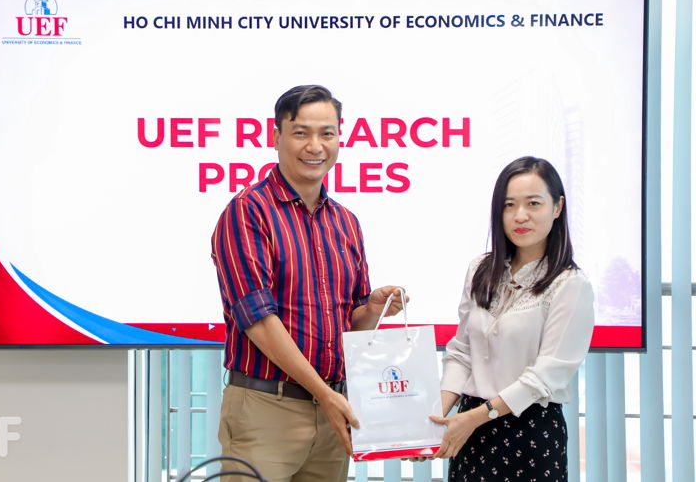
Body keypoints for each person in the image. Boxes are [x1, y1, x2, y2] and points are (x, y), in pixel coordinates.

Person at [211, 84, 405, 482]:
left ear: (339, 138)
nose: (315, 146)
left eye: (327, 133)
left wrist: (372, 310)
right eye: (301, 133)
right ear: (276, 136)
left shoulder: (346, 223)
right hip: (267, 409)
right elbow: (258, 321)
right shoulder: (247, 212)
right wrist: (325, 394)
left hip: (333, 412)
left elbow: (351, 325)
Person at [426, 156, 594, 481]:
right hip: (470, 429)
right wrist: (435, 419)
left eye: (533, 203)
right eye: (509, 205)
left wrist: (476, 417)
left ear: (557, 207)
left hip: (529, 432)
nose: (520, 216)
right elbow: (462, 353)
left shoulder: (570, 285)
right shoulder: (480, 270)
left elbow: (545, 377)